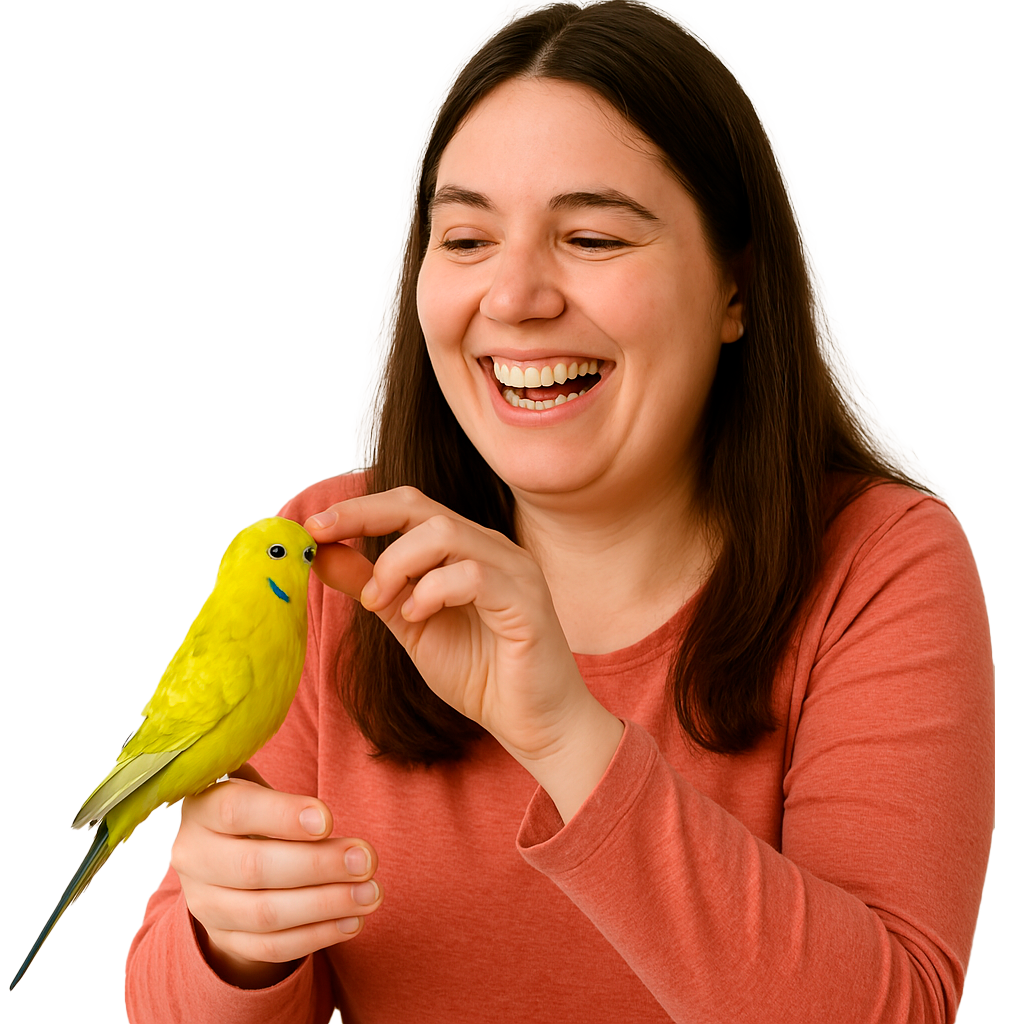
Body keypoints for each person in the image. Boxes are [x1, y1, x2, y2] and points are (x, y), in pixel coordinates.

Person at [123, 2, 994, 1021]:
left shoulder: (878, 565)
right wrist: (235, 945)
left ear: (734, 289)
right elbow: (164, 1004)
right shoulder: (326, 555)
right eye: (464, 237)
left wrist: (562, 734)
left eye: (588, 235)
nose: (514, 294)